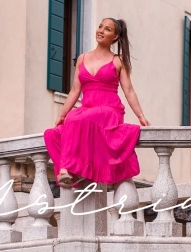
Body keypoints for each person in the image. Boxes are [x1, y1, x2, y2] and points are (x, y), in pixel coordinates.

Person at [44, 17, 150, 188]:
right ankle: (78, 172)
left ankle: (67, 168)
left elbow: (129, 90)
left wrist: (141, 115)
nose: (101, 30)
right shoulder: (82, 59)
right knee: (52, 134)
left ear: (115, 37)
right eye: (100, 26)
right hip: (87, 110)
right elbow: (74, 90)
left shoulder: (118, 60)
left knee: (76, 118)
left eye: (107, 29)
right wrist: (62, 114)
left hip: (109, 110)